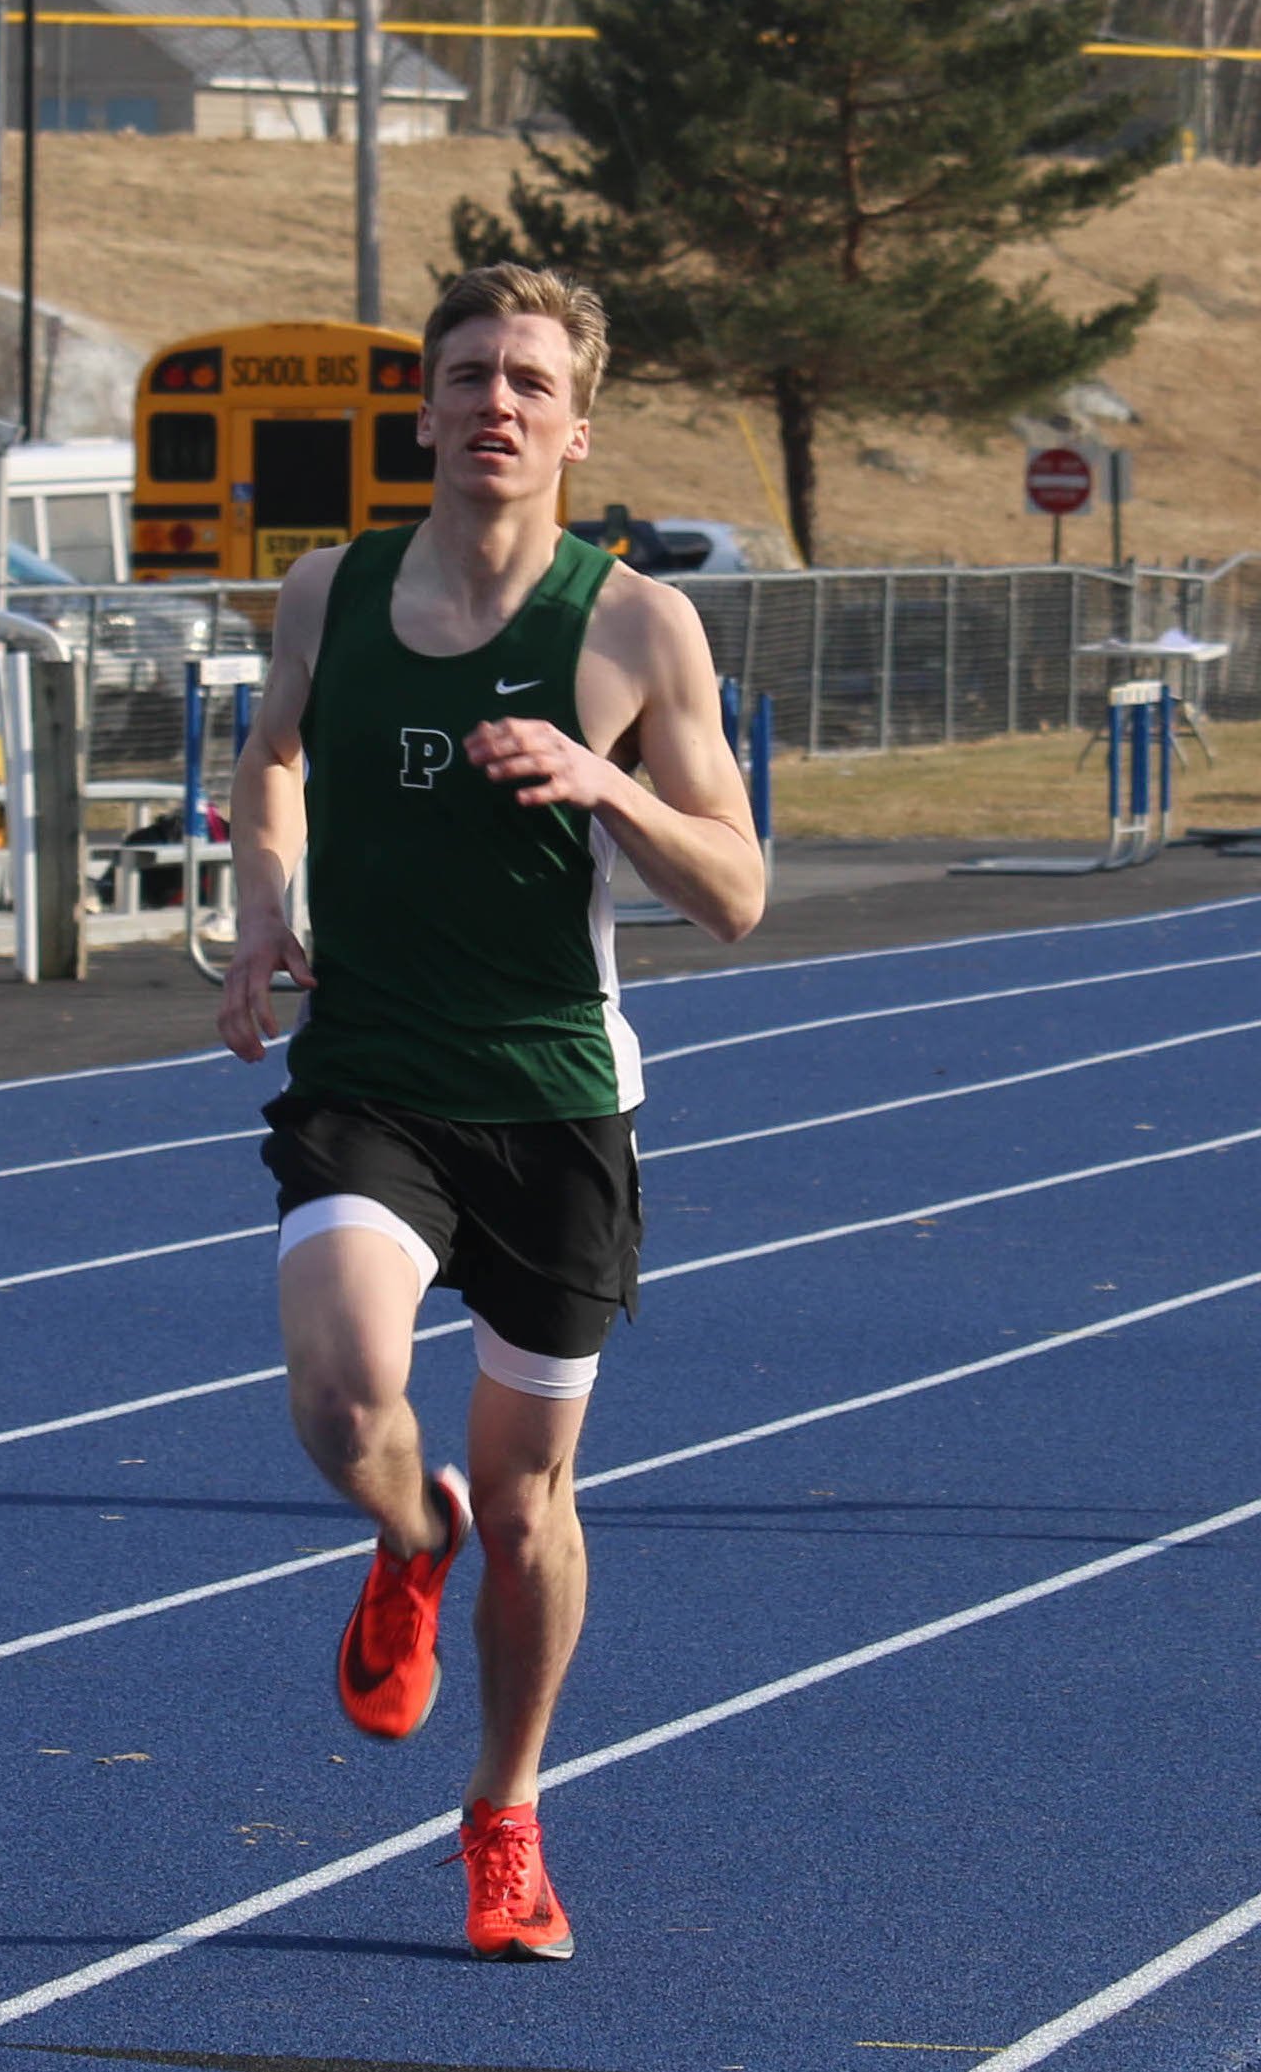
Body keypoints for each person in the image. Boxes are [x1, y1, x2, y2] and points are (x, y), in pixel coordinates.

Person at [216, 263, 765, 1959]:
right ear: (427, 407)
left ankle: (504, 1805)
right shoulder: (330, 587)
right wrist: (259, 907)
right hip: (372, 1071)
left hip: (552, 1102)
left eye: (527, 380)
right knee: (342, 1386)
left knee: (532, 1500)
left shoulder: (632, 626)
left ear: (574, 424)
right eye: (466, 375)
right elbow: (275, 755)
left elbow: (739, 888)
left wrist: (603, 778)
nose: (493, 404)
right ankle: (405, 1524)